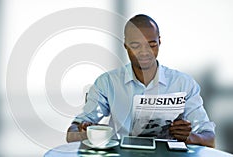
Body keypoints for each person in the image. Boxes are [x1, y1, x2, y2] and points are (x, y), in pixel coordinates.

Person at [66, 14, 215, 147]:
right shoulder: (107, 83)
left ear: (159, 42)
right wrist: (84, 133)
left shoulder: (184, 84)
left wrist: (190, 137)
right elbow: (71, 134)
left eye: (152, 45)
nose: (145, 52)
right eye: (136, 46)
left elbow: (210, 139)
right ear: (125, 46)